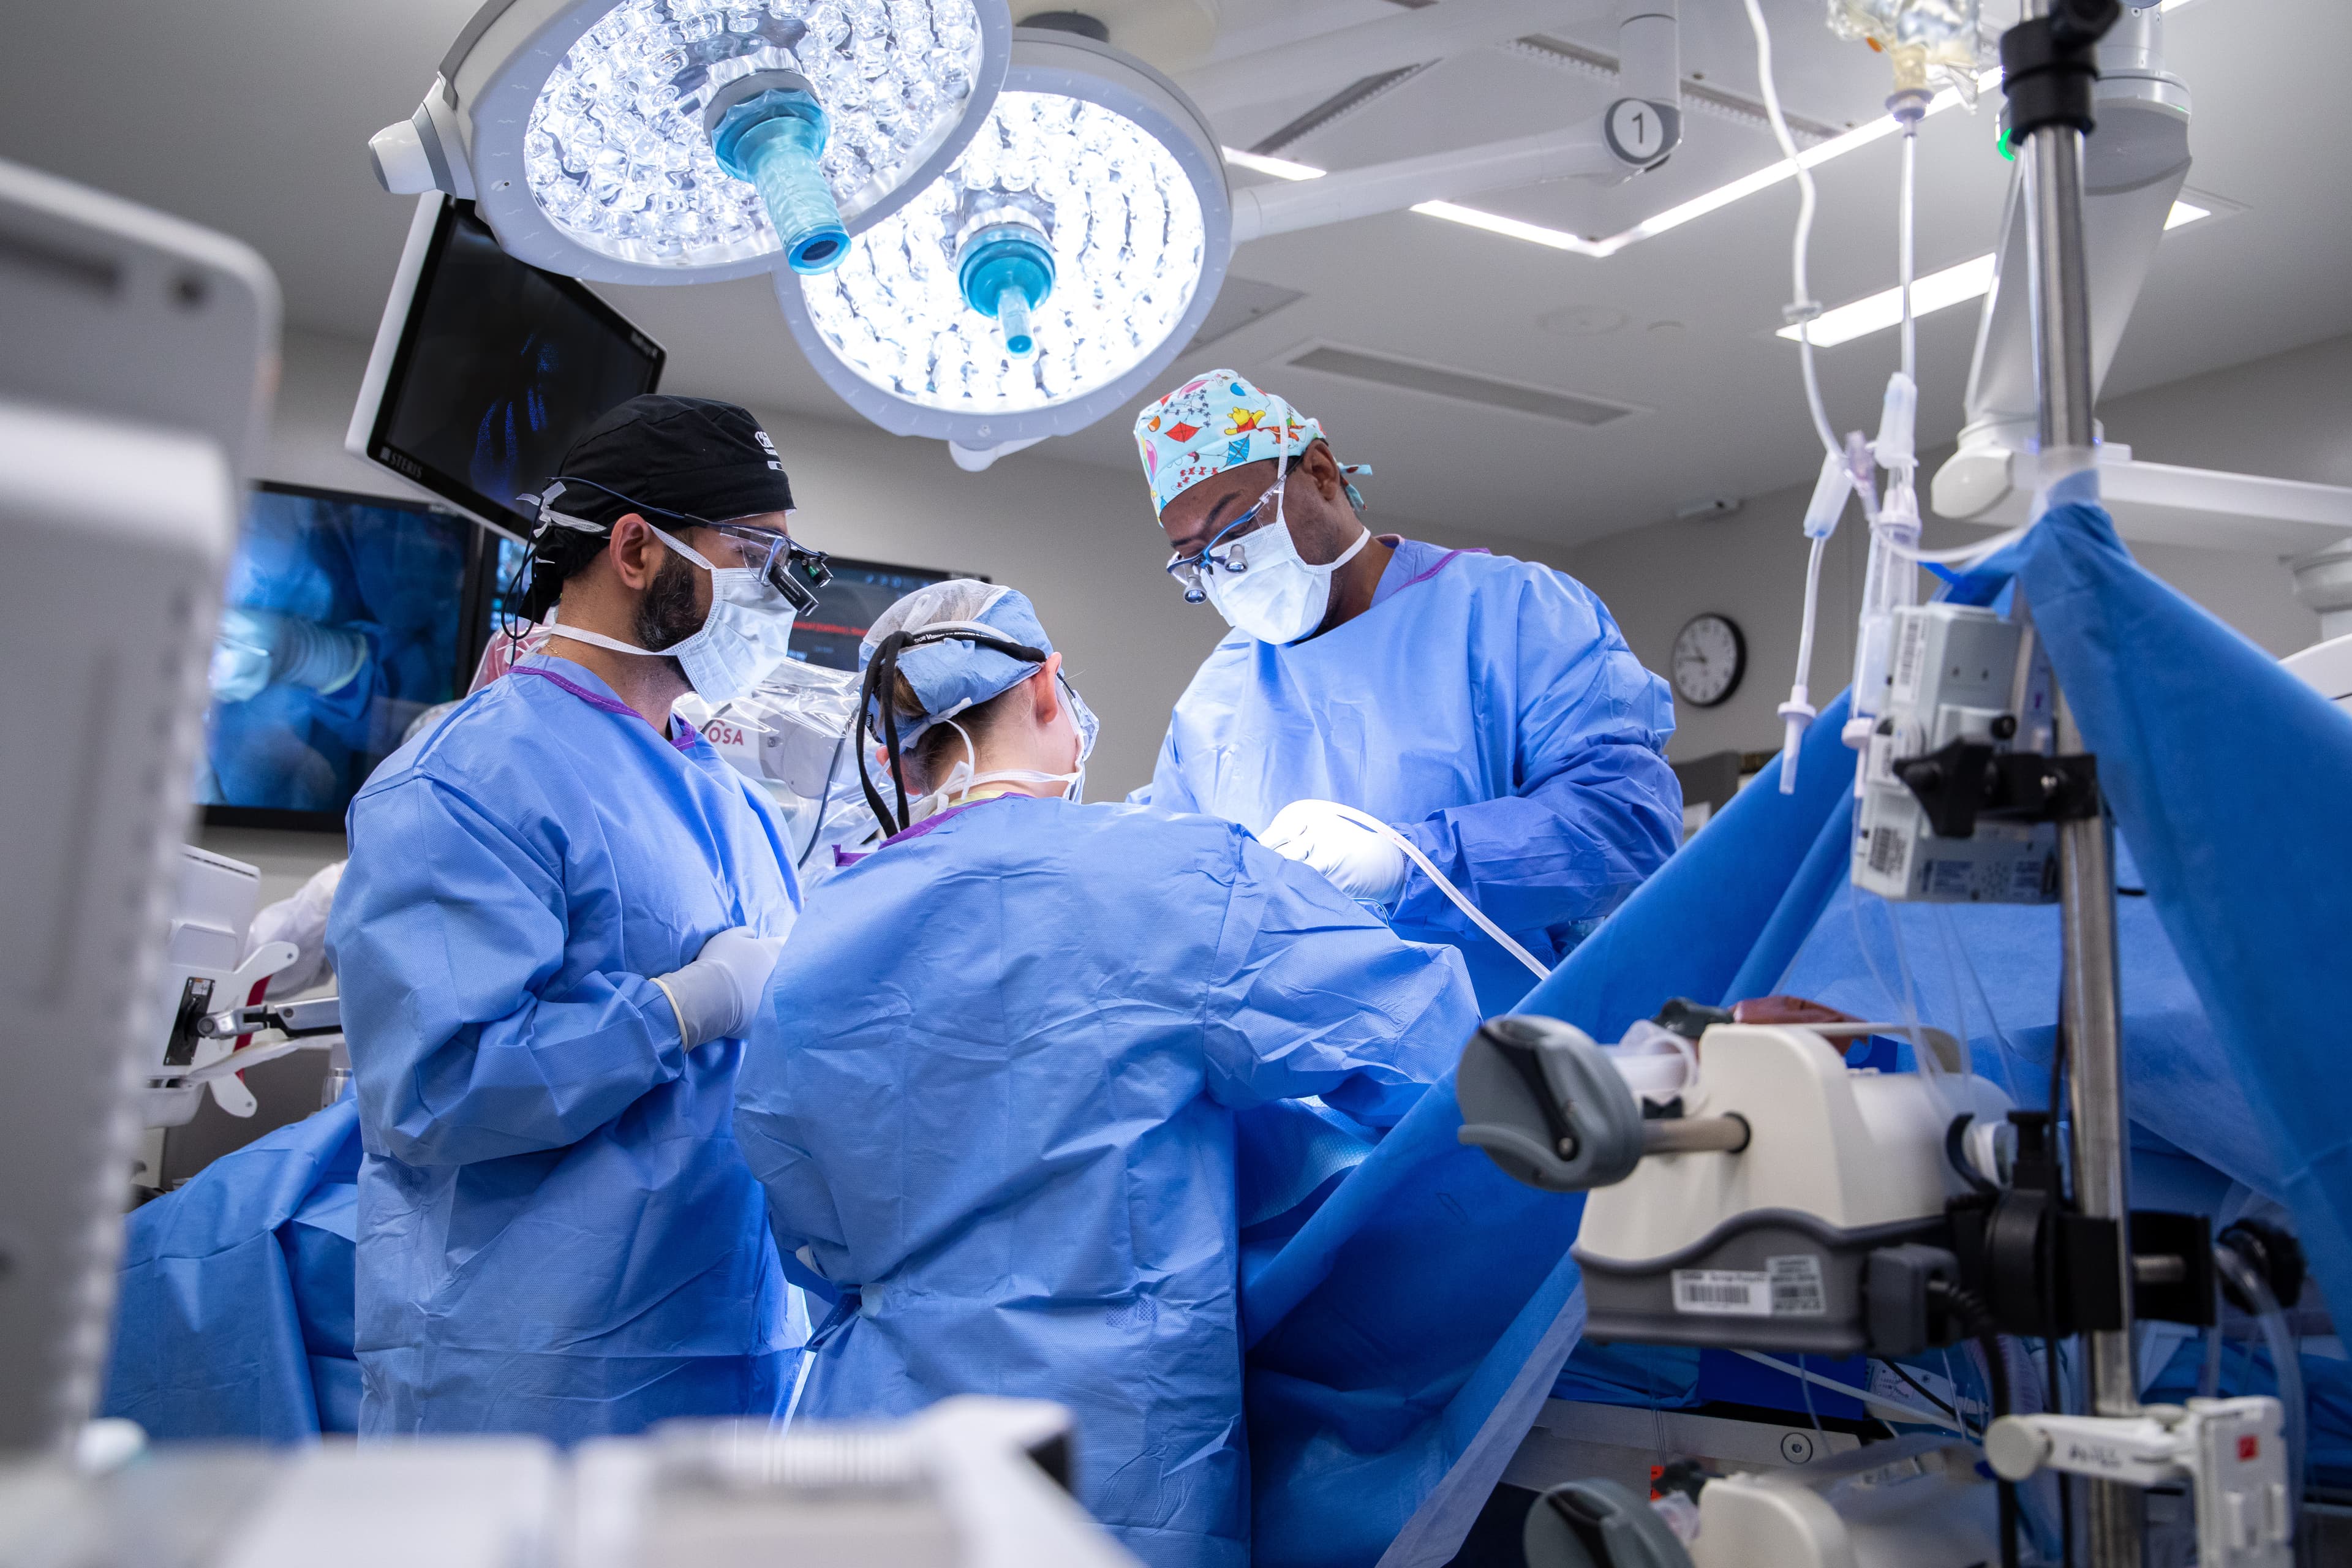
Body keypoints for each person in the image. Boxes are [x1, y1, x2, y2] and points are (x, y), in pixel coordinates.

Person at [731, 581, 1480, 1568]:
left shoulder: (821, 932)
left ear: (896, 755)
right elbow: (1437, 1061)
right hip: (1105, 1472)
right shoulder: (1180, 878)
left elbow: (810, 1234)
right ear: (1048, 690)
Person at [325, 395, 823, 1442]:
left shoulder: (732, 802)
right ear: (635, 550)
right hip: (530, 1372)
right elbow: (435, 1090)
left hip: (728, 1343)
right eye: (754, 555)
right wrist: (680, 1008)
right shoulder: (468, 778)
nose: (779, 594)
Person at [1132, 371, 1684, 1014]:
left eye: (1239, 529)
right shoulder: (1213, 705)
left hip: (1516, 1050)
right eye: (1196, 558)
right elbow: (1173, 904)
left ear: (1320, 472)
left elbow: (1625, 827)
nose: (1227, 567)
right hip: (1298, 1076)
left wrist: (1410, 864)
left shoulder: (1514, 614)